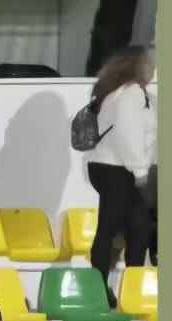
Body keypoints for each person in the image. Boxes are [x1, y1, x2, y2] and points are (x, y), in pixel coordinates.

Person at [84, 46, 157, 296]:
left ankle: (112, 289)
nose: (153, 67)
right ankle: (116, 291)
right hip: (118, 169)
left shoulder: (116, 92)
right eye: (149, 62)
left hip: (108, 167)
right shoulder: (131, 93)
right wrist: (140, 170)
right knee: (123, 227)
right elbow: (129, 134)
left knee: (133, 226)